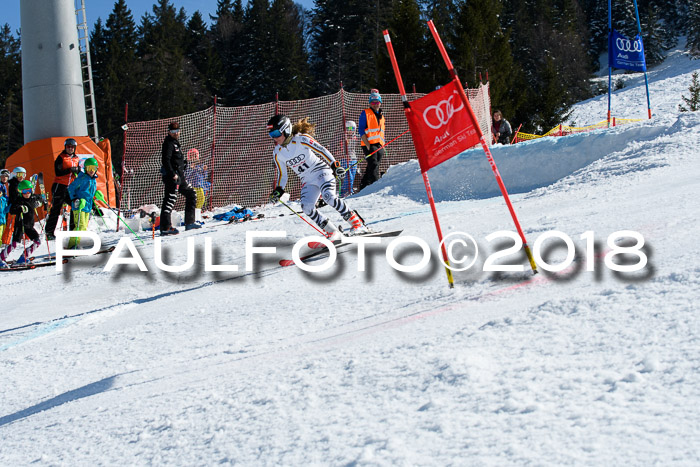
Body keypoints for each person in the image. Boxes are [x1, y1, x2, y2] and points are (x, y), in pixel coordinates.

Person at [267, 115, 367, 237]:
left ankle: (358, 224)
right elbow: (282, 175)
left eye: (276, 133)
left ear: (286, 129)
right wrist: (278, 190)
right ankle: (332, 232)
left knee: (329, 197)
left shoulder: (301, 139)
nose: (274, 138)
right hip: (308, 180)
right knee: (307, 207)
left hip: (321, 172)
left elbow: (321, 150)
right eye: (271, 134)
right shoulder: (277, 153)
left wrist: (334, 165)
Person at [160, 121, 199, 235]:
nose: (176, 133)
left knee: (191, 193)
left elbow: (176, 160)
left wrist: (186, 163)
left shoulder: (175, 143)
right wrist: (172, 173)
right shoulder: (168, 143)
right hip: (172, 177)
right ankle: (165, 228)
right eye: (173, 131)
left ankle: (189, 222)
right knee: (170, 200)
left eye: (177, 131)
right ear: (169, 132)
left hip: (180, 176)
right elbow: (166, 160)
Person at [0, 179, 46, 267]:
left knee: (37, 242)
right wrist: (20, 208)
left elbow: (40, 198)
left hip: (29, 226)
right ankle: (1, 258)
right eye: (24, 191)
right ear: (21, 192)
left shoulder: (32, 198)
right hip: (20, 226)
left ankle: (24, 257)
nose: (27, 193)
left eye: (29, 191)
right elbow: (12, 209)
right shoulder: (19, 200)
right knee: (15, 244)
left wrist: (39, 202)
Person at [45, 138, 81, 240]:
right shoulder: (61, 157)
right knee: (56, 209)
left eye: (72, 147)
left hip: (71, 187)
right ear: (65, 147)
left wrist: (78, 171)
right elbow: (58, 172)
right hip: (59, 186)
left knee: (75, 206)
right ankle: (49, 232)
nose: (70, 149)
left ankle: (73, 231)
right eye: (68, 147)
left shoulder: (76, 158)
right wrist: (70, 170)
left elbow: (77, 171)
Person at [66, 158, 99, 249]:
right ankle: (72, 245)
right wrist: (75, 199)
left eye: (93, 168)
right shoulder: (82, 178)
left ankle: (77, 243)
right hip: (79, 206)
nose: (91, 171)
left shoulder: (93, 180)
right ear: (85, 168)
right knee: (79, 226)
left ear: (96, 169)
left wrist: (96, 194)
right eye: (89, 168)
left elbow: (89, 192)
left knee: (84, 227)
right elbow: (71, 188)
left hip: (87, 206)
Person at [357, 89, 386, 190]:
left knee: (372, 165)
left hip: (379, 145)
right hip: (369, 144)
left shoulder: (382, 116)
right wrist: (368, 144)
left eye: (377, 102)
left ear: (380, 103)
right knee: (373, 164)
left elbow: (381, 132)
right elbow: (361, 129)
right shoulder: (365, 113)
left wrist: (383, 145)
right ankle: (376, 186)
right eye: (373, 102)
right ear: (370, 103)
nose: (375, 104)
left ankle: (363, 186)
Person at [185, 148, 210, 224]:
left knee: (201, 200)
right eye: (192, 155)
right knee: (193, 202)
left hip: (200, 185)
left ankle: (197, 217)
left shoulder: (200, 165)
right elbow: (186, 175)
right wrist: (191, 169)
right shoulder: (187, 165)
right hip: (192, 185)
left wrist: (205, 170)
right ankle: (193, 219)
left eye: (195, 155)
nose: (193, 157)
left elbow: (204, 176)